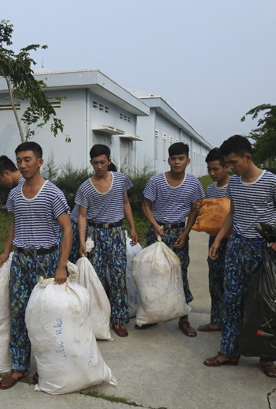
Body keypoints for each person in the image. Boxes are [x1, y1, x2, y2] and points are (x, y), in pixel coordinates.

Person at [203, 135, 276, 379]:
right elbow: (233, 213)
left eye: (233, 163)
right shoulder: (234, 184)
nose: (230, 168)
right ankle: (229, 352)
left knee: (265, 304)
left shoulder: (272, 181)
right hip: (237, 248)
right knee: (232, 300)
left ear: (247, 157)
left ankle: (267, 357)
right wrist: (220, 239)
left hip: (264, 250)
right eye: (228, 164)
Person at [0, 141, 72, 390]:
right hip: (21, 260)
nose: (22, 164)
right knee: (18, 313)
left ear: (39, 161)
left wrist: (62, 265)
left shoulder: (52, 193)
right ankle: (19, 367)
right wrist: (7, 251)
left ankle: (45, 367)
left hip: (47, 261)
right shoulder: (15, 194)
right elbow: (14, 223)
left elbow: (68, 228)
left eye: (27, 159)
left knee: (46, 316)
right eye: (19, 160)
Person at [141, 141, 204, 336]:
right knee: (153, 274)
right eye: (173, 158)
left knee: (180, 273)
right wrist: (154, 224)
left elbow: (195, 209)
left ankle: (183, 318)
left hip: (179, 233)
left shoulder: (193, 183)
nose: (177, 162)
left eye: (181, 158)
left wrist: (186, 233)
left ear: (187, 160)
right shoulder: (156, 181)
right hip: (157, 232)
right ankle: (153, 314)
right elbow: (145, 205)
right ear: (168, 160)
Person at [76, 144, 138, 338]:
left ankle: (119, 319)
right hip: (95, 234)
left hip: (116, 232)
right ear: (91, 163)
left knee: (118, 276)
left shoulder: (120, 180)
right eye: (95, 163)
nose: (99, 166)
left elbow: (126, 203)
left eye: (103, 162)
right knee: (97, 278)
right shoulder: (85, 187)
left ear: (109, 161)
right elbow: (82, 216)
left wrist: (133, 227)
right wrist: (82, 241)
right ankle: (99, 318)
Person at [197, 148, 230, 332]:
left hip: (232, 241)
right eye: (209, 169)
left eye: (215, 169)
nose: (211, 173)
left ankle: (231, 322)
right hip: (214, 242)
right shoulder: (210, 189)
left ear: (227, 167)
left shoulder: (236, 185)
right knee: (215, 280)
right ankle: (216, 319)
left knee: (231, 282)